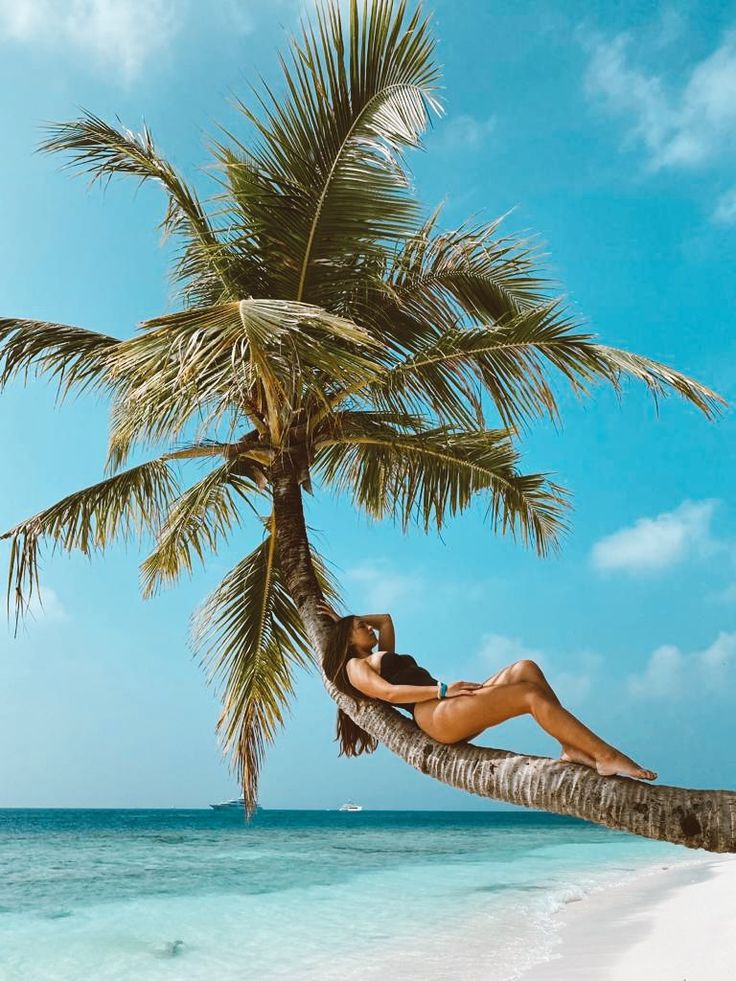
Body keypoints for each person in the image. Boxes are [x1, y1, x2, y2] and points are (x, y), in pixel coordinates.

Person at [318, 602, 657, 781]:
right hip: (435, 714)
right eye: (359, 627)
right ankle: (606, 756)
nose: (367, 626)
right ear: (348, 640)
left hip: (444, 705)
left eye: (363, 622)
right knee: (528, 696)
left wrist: (344, 620)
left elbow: (387, 620)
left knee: (525, 668)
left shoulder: (378, 653)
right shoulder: (355, 667)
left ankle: (572, 747)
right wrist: (443, 691)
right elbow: (389, 694)